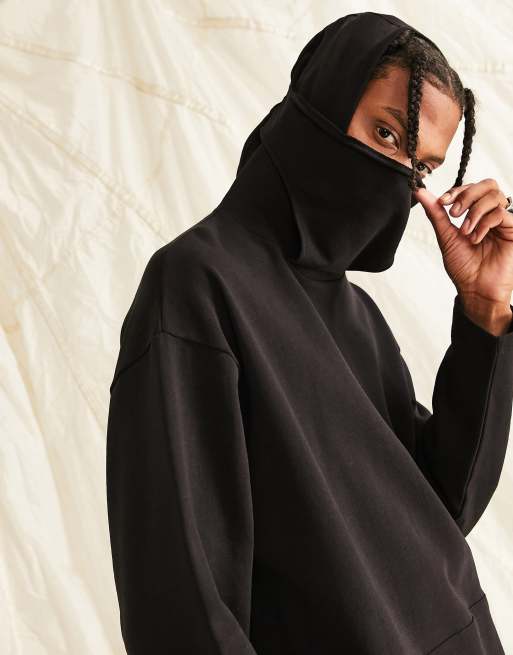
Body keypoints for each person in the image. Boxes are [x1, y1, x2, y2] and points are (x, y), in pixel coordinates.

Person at [106, 11, 513, 654]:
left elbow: (440, 513)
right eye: (386, 133)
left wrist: (485, 315)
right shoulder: (197, 285)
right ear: (324, 98)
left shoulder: (359, 318)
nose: (400, 179)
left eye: (422, 169)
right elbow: (183, 598)